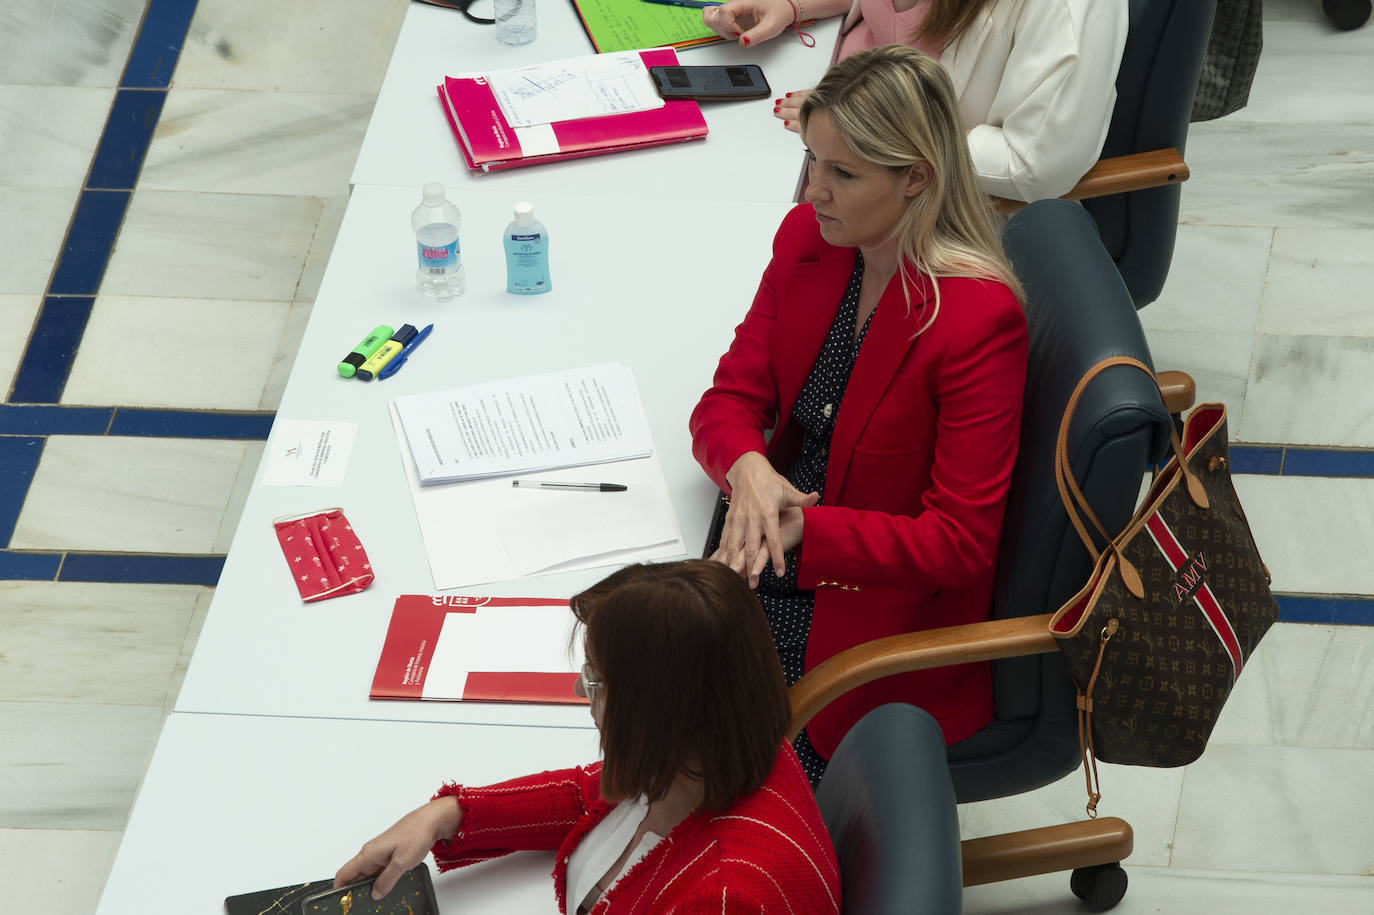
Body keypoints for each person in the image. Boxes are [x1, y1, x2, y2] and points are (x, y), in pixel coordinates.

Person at [689, 45, 1028, 784]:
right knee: (625, 690)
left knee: (692, 771)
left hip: (867, 618)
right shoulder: (809, 241)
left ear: (916, 178)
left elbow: (960, 543)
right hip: (765, 544)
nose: (814, 189)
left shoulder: (976, 320)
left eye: (843, 173)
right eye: (812, 161)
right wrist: (747, 466)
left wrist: (805, 527)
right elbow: (728, 400)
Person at [333, 560, 841, 914]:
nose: (580, 687)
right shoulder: (719, 741)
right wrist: (444, 816)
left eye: (596, 678)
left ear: (658, 713)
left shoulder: (727, 898)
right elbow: (588, 794)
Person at [703, 0, 1127, 201]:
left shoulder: (1072, 8)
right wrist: (791, 6)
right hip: (829, 137)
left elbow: (1035, 166)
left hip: (913, 193)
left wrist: (869, 119)